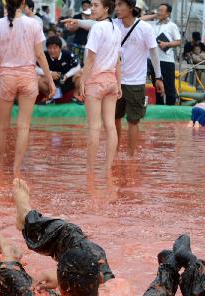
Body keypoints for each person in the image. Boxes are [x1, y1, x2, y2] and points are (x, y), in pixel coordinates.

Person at [0, 178, 133, 296]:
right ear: (100, 279)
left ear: (62, 293)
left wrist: (61, 278)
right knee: (90, 251)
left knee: (8, 276)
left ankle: (10, 252)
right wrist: (64, 278)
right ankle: (28, 219)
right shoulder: (122, 290)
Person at [67, 0, 163, 153]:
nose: (116, 9)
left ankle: (131, 157)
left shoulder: (145, 28)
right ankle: (115, 154)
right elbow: (94, 25)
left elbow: (154, 53)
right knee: (114, 119)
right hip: (114, 79)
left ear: (130, 8)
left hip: (135, 82)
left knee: (133, 120)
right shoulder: (114, 24)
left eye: (120, 5)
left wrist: (158, 77)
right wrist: (77, 21)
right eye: (116, 5)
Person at [0, 0, 54, 176]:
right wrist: (50, 80)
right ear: (23, 2)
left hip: (6, 78)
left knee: (1, 127)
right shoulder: (34, 24)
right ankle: (16, 170)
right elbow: (41, 56)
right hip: (28, 78)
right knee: (24, 127)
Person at [75, 0, 121, 174]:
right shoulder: (116, 29)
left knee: (94, 126)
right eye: (91, 5)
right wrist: (119, 83)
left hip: (95, 81)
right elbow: (117, 61)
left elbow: (91, 58)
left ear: (106, 8)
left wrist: (82, 80)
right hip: (111, 82)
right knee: (110, 126)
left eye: (96, 5)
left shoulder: (97, 28)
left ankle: (90, 170)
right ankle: (108, 168)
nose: (91, 8)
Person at [145, 3, 180, 105]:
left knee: (169, 87)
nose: (159, 12)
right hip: (153, 60)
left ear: (168, 13)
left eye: (161, 10)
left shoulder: (172, 26)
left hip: (166, 61)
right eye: (158, 10)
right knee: (156, 87)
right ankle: (160, 108)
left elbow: (179, 41)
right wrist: (155, 15)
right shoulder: (153, 24)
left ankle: (170, 109)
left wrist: (167, 44)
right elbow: (140, 19)